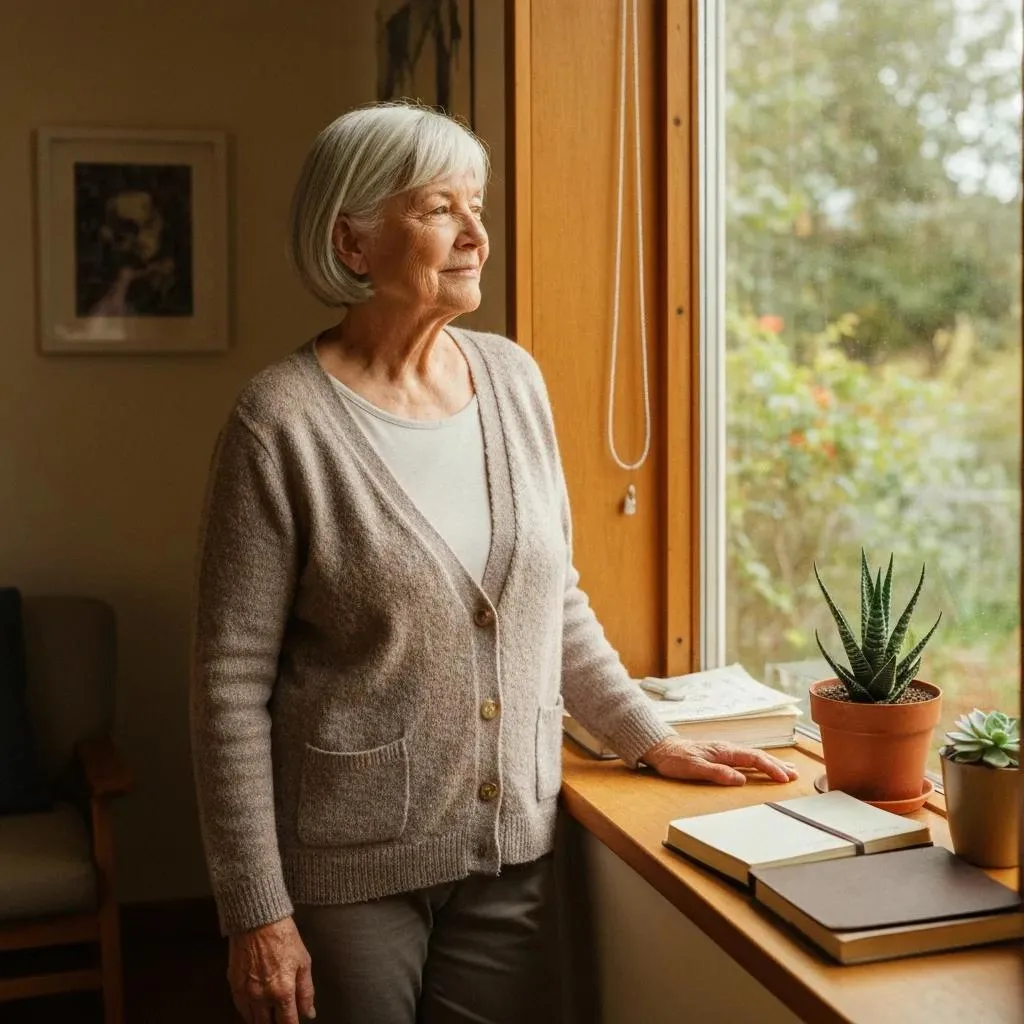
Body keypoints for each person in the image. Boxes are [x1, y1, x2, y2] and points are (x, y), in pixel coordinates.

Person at [189, 101, 799, 1024]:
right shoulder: (278, 423)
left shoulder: (512, 379)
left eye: (477, 204)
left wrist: (649, 737)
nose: (477, 233)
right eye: (439, 208)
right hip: (349, 871)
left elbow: (553, 604)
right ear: (351, 244)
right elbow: (228, 687)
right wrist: (256, 911)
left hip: (516, 846)